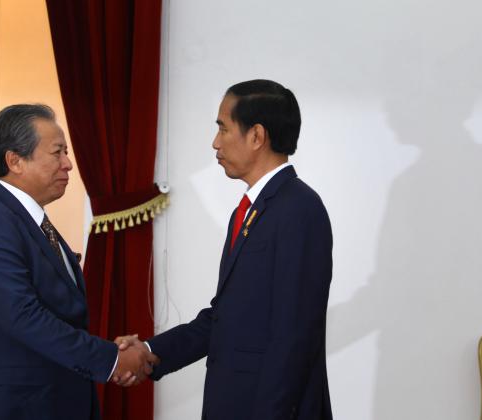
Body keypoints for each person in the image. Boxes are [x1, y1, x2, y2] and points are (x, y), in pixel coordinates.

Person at [128, 80, 333, 419]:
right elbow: (226, 317)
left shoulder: (299, 209)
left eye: (223, 128)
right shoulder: (250, 210)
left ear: (256, 136)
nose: (215, 142)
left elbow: (293, 337)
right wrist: (151, 350)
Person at [0, 104, 157, 420]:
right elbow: (24, 316)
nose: (68, 164)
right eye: (58, 153)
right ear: (15, 161)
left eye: (66, 153)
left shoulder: (29, 221)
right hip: (11, 407)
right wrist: (111, 359)